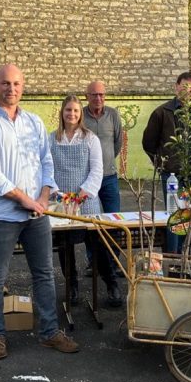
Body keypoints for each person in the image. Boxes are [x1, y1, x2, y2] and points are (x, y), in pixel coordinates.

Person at [0, 64, 79, 360]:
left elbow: (46, 161)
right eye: (5, 83)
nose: (11, 89)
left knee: (44, 273)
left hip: (36, 215)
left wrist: (43, 195)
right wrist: (25, 200)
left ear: (23, 85)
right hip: (2, 215)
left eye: (16, 83)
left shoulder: (33, 122)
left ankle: (49, 332)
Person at [51, 95, 122, 308]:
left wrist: (82, 194)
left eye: (75, 110)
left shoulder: (90, 138)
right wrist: (58, 193)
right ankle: (71, 286)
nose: (71, 114)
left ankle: (111, 284)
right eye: (68, 110)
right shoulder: (51, 138)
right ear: (62, 112)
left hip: (86, 202)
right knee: (65, 247)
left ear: (80, 114)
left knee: (97, 244)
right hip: (61, 203)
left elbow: (97, 169)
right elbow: (46, 169)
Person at [142, 72, 191, 253]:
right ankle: (172, 257)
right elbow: (148, 143)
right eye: (184, 87)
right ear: (176, 87)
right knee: (174, 217)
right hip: (171, 175)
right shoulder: (162, 112)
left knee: (188, 216)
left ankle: (183, 256)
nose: (187, 91)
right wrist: (161, 164)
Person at [83, 80, 123, 278]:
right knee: (91, 222)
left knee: (113, 219)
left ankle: (114, 261)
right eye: (94, 95)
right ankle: (93, 261)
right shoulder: (80, 116)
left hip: (109, 177)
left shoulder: (113, 115)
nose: (98, 98)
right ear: (87, 96)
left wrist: (105, 162)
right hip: (88, 179)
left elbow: (117, 142)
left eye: (101, 94)